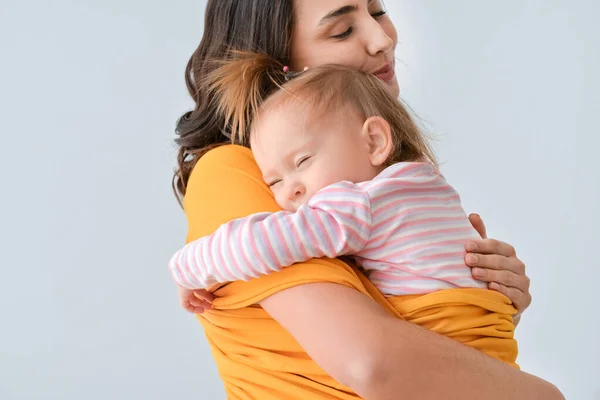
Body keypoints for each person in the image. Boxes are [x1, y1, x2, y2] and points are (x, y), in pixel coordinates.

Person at [172, 1, 562, 399]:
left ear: (376, 140)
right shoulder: (232, 169)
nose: (382, 39)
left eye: (377, 12)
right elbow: (372, 362)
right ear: (277, 60)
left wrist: (489, 299)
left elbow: (428, 356)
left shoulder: (377, 178)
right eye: (341, 31)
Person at [169, 59, 520, 366]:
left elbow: (266, 243)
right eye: (273, 181)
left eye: (303, 161)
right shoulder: (424, 180)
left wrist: (189, 268)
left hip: (448, 354)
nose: (291, 189)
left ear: (374, 142)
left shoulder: (357, 205)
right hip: (493, 358)